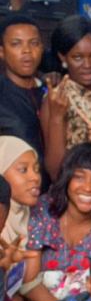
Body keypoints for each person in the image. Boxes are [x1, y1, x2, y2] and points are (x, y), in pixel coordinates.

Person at [22, 143, 91, 301]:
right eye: (79, 177)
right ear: (66, 179)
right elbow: (29, 280)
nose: (88, 187)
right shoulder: (43, 210)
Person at [41, 15, 91, 180]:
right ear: (63, 57)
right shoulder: (56, 98)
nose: (87, 65)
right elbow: (54, 170)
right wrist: (57, 116)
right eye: (77, 57)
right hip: (71, 195)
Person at [0, 14, 50, 191]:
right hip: (11, 199)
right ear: (1, 51)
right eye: (16, 44)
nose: (26, 50)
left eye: (33, 43)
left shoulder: (53, 91)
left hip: (52, 197)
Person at [0, 136, 41, 299]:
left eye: (36, 169)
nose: (35, 177)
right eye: (23, 170)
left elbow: (23, 286)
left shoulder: (30, 215)